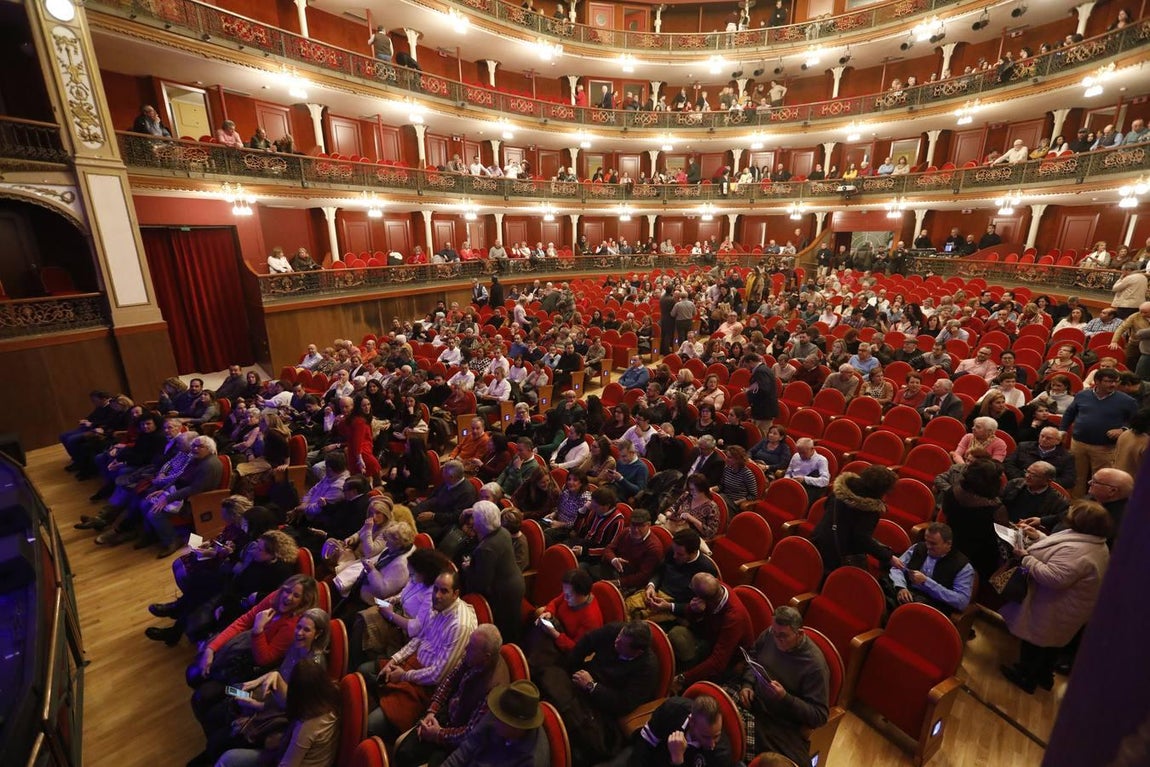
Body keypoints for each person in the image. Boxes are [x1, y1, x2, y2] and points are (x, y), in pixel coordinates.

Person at [999, 501, 1111, 694]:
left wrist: (1024, 557)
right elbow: (1057, 549)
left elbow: (1054, 577)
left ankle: (1026, 677)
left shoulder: (1079, 551)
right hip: (1061, 604)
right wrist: (1039, 537)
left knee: (1036, 643)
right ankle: (1043, 676)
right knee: (1050, 645)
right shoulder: (1090, 540)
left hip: (1055, 604)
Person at [367, 570, 477, 739]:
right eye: (435, 589)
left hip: (427, 686)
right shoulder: (438, 607)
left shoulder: (459, 625)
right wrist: (394, 660)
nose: (437, 595)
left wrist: (404, 676)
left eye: (444, 591)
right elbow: (419, 639)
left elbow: (438, 675)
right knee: (365, 672)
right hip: (413, 666)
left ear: (456, 594)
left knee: (371, 724)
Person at [536, 621, 659, 766]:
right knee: (546, 676)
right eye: (619, 636)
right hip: (584, 678)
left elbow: (625, 703)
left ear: (637, 652)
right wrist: (572, 669)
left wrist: (592, 687)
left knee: (575, 728)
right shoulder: (616, 631)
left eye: (622, 644)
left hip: (603, 706)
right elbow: (587, 642)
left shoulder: (648, 670)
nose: (616, 642)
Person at [392, 624, 503, 767]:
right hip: (447, 716)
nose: (465, 648)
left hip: (457, 743)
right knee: (403, 751)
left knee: (407, 756)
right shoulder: (473, 657)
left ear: (485, 657)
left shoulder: (493, 690)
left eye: (471, 647)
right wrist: (432, 711)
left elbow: (470, 734)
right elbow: (449, 681)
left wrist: (438, 734)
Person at [737, 606, 830, 765]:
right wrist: (747, 684)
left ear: (799, 634)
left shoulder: (815, 666)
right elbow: (754, 656)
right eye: (774, 633)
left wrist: (785, 698)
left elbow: (820, 715)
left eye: (783, 636)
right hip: (755, 700)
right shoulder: (770, 634)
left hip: (780, 722)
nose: (776, 639)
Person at [214, 658, 339, 767]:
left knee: (227, 759)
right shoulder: (330, 697)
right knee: (230, 757)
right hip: (291, 753)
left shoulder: (307, 727)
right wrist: (275, 676)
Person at [1061, 369, 1138, 497]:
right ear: (1096, 381)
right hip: (1078, 444)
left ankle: (1097, 510)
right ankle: (1076, 507)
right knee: (1076, 478)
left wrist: (1123, 429)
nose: (1113, 385)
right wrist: (1062, 430)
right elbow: (1069, 413)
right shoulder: (1082, 395)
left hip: (1105, 448)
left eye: (1115, 382)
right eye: (1108, 381)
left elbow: (1135, 421)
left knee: (1101, 481)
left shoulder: (1127, 401)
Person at [811, 466, 898, 576]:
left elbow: (826, 505)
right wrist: (888, 556)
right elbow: (861, 539)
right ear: (880, 491)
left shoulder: (840, 490)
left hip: (819, 541)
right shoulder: (869, 510)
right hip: (836, 556)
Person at [437, 680, 544, 767]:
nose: (493, 720)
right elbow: (465, 750)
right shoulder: (500, 709)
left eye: (500, 720)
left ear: (516, 727)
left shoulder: (531, 760)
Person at [463, 501, 526, 642]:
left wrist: (468, 569)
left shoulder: (486, 549)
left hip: (502, 592)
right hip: (515, 583)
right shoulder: (502, 532)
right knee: (513, 624)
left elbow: (481, 583)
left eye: (474, 518)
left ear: (479, 524)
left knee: (505, 628)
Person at [615, 695, 732, 767]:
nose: (712, 744)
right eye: (705, 736)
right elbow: (646, 742)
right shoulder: (673, 708)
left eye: (717, 736)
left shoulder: (720, 755)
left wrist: (678, 760)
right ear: (691, 722)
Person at [888, 522, 975, 612]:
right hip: (906, 593)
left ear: (948, 544)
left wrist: (926, 582)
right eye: (927, 541)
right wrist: (901, 587)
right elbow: (897, 567)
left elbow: (961, 601)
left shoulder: (963, 566)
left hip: (931, 606)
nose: (928, 546)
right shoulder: (918, 548)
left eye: (933, 544)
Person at [1004, 427, 1076, 487]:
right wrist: (1023, 479)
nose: (1044, 439)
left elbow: (1069, 480)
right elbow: (1008, 464)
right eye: (1042, 436)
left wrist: (1042, 482)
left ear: (1057, 441)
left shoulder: (1066, 457)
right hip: (1019, 484)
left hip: (1047, 490)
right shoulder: (1023, 447)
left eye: (1048, 438)